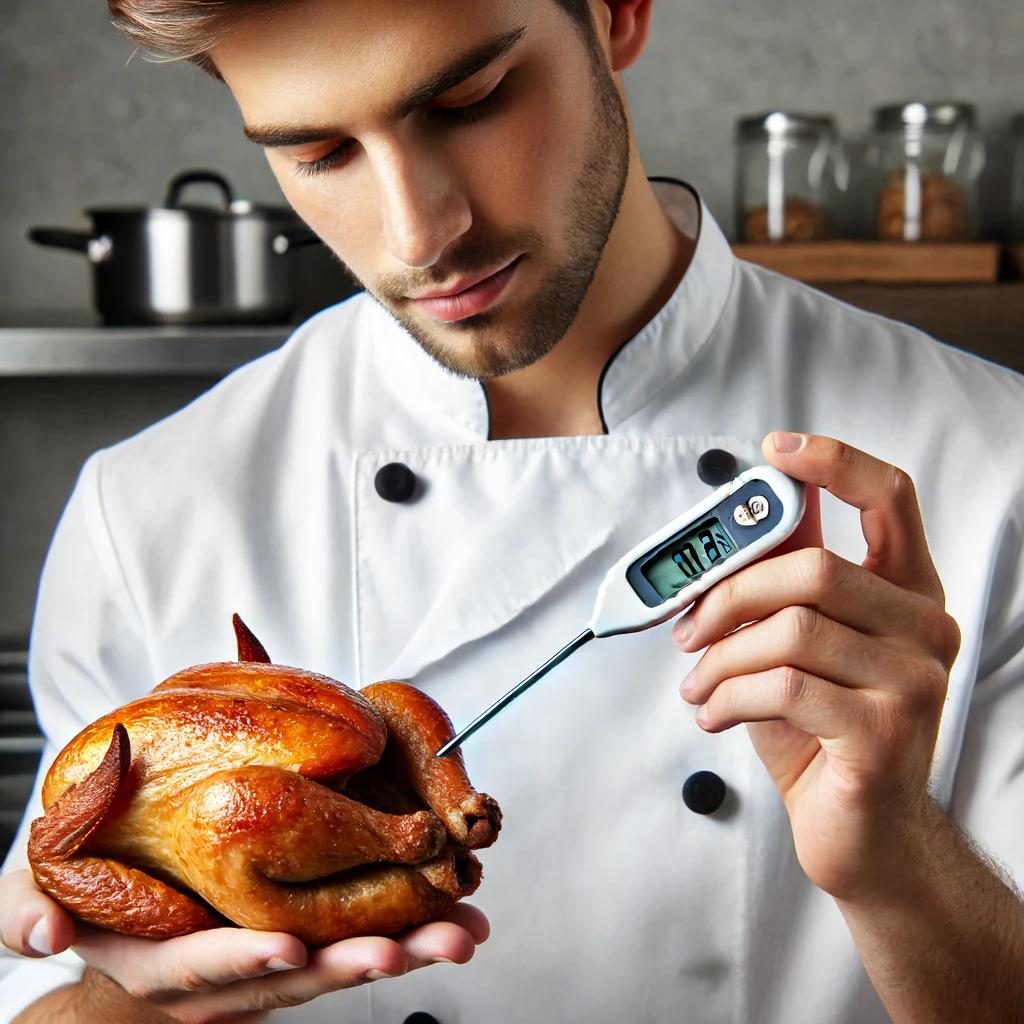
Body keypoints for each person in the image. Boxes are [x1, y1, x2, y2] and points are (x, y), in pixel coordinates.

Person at [2, 0, 1023, 1021]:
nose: (420, 233)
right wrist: (135, 1003)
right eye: (318, 153)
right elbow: (51, 976)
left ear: (618, 16)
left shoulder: (989, 460)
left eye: (468, 100)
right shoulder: (148, 508)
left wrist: (897, 866)